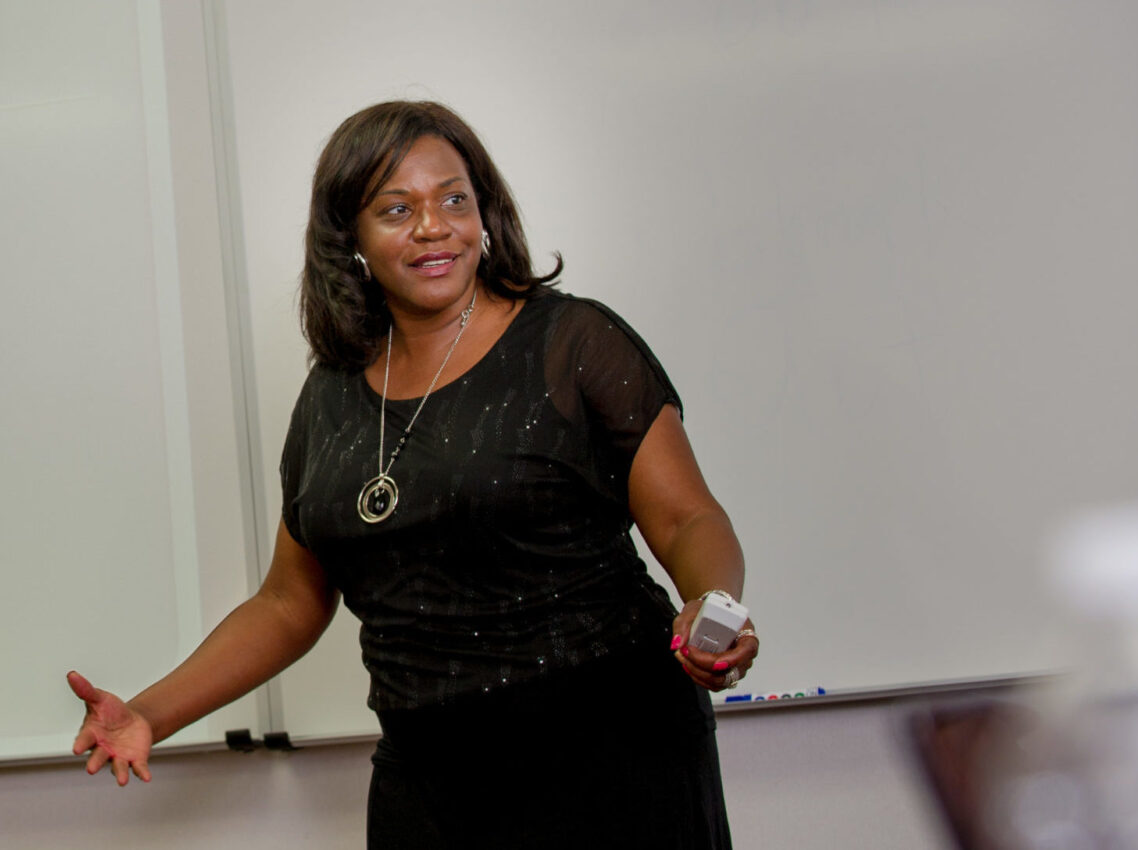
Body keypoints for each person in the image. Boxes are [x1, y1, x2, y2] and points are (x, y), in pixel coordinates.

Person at [66, 100, 758, 848]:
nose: (434, 227)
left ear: (484, 213)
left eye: (453, 200)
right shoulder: (330, 393)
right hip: (430, 778)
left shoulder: (571, 342)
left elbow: (689, 517)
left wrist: (710, 603)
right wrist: (149, 714)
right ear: (352, 239)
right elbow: (288, 603)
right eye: (397, 209)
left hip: (613, 754)